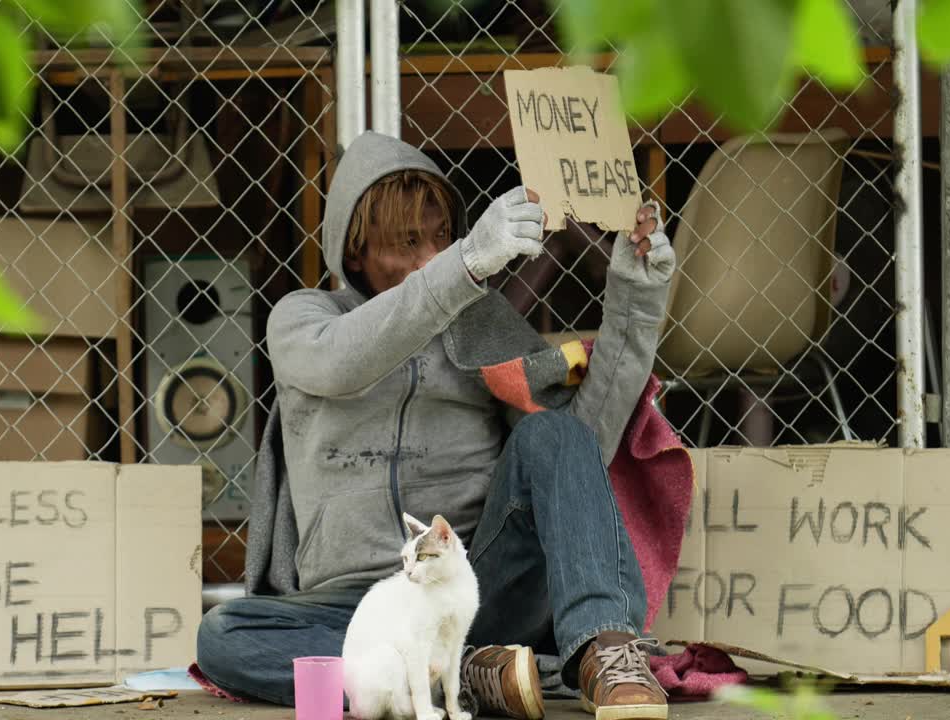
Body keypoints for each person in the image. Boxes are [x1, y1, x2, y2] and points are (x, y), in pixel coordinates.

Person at [197, 131, 676, 720]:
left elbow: (582, 448)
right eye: (406, 241)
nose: (431, 256)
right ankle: (472, 676)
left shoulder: (482, 325)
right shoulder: (305, 319)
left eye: (442, 237)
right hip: (353, 607)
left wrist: (635, 298)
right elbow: (342, 362)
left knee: (553, 432)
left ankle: (604, 647)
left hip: (469, 591)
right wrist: (465, 262)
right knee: (224, 634)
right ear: (355, 251)